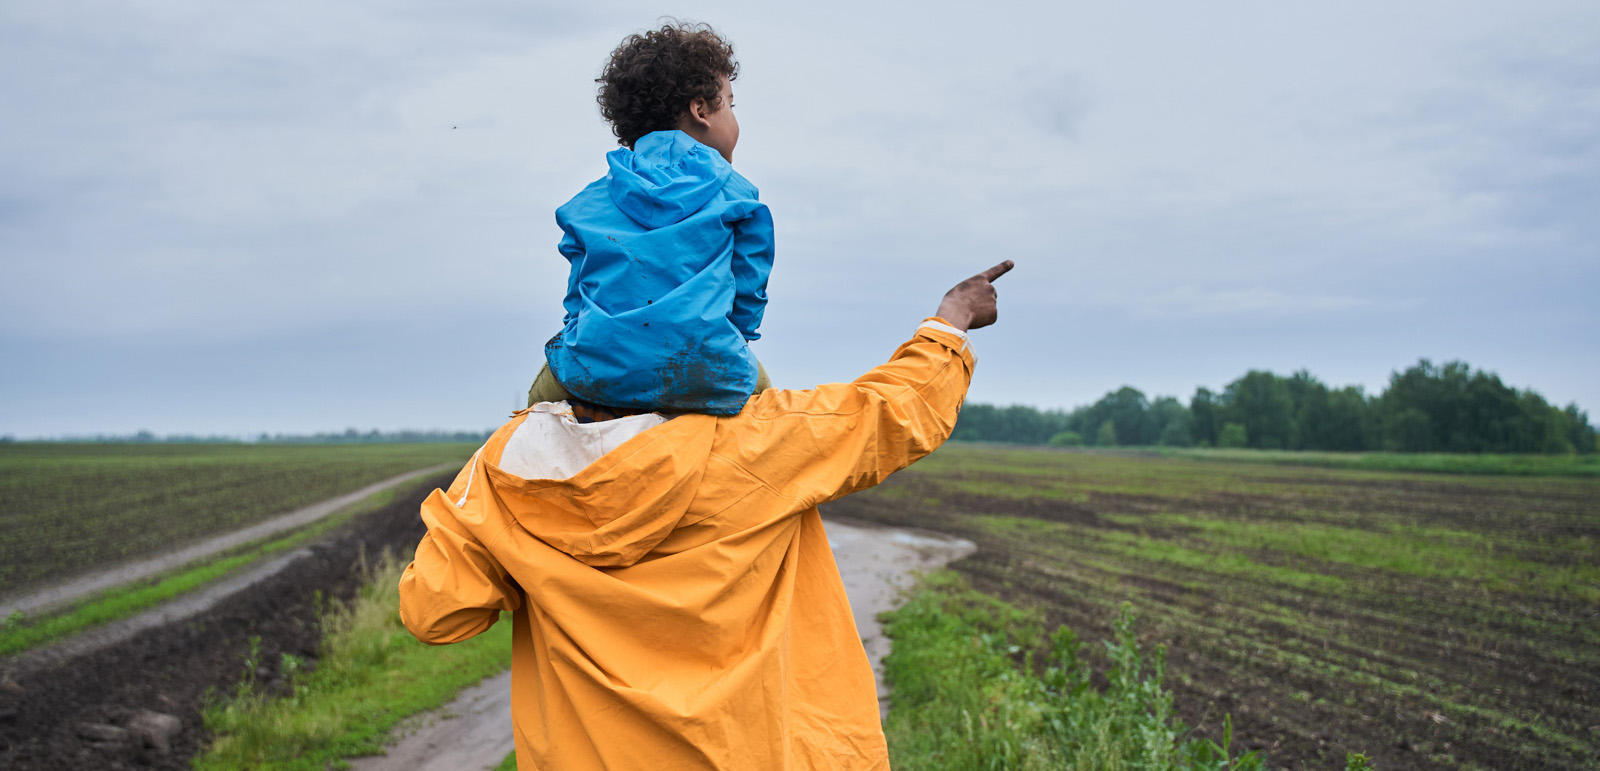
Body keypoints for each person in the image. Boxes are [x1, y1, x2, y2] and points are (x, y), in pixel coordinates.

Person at [398, 260, 1013, 770]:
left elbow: (436, 613)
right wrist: (951, 319)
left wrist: (479, 490)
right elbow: (890, 410)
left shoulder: (509, 474)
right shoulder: (754, 443)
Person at [529, 21, 774, 415]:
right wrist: (735, 339)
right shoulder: (738, 195)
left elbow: (578, 296)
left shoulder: (587, 203)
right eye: (730, 104)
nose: (734, 118)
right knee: (769, 411)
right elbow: (749, 289)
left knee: (535, 407)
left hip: (598, 371)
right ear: (700, 111)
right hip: (710, 369)